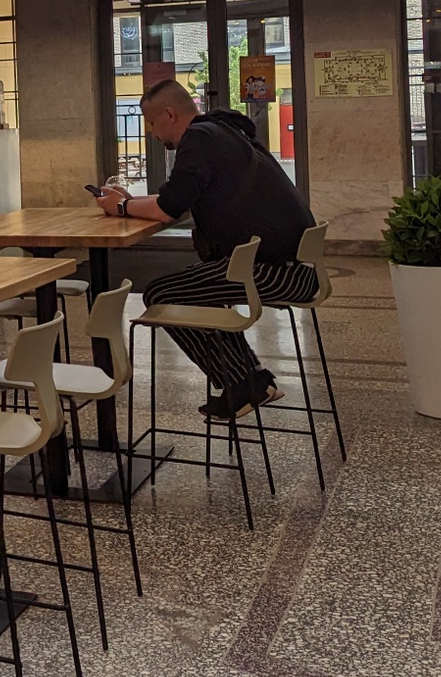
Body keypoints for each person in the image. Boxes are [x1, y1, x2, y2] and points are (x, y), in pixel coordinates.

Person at [97, 78, 319, 421]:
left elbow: (169, 208)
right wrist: (130, 202)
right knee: (194, 286)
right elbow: (177, 197)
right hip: (296, 268)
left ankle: (243, 384)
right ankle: (252, 380)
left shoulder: (198, 139)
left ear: (170, 114)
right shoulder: (224, 132)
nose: (152, 133)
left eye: (152, 123)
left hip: (274, 273)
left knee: (162, 294)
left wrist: (123, 208)